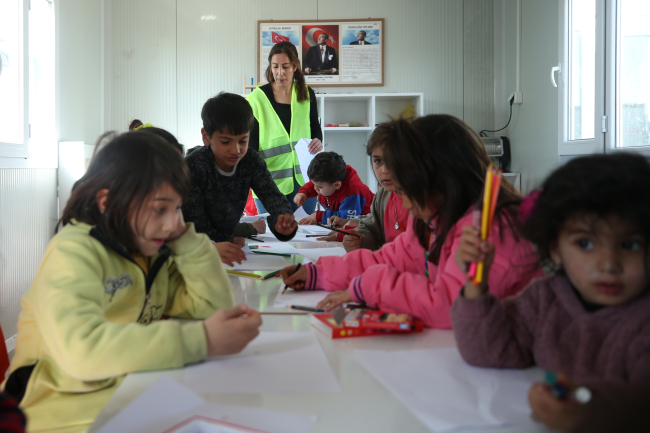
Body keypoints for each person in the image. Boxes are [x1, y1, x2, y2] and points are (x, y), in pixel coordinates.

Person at [1, 132, 262, 432]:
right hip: (54, 415)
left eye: (177, 208)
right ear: (108, 202)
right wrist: (201, 340)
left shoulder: (153, 252)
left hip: (128, 400)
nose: (171, 223)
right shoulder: (73, 252)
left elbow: (211, 311)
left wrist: (187, 239)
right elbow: (82, 352)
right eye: (160, 208)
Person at [279, 115, 541, 328]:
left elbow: (446, 305)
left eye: (405, 191)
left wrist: (368, 286)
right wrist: (320, 273)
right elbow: (390, 258)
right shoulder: (433, 218)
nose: (403, 203)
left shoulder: (492, 230)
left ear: (442, 180)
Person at [452, 153, 650, 433]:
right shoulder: (545, 299)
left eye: (630, 245)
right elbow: (488, 351)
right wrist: (476, 283)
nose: (608, 264)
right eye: (585, 243)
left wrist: (586, 412)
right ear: (555, 247)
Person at [183, 92, 298, 266]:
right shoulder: (193, 166)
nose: (236, 150)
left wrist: (282, 221)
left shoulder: (250, 161)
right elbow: (195, 222)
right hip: (197, 254)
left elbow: (272, 197)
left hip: (226, 250)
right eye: (225, 142)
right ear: (206, 136)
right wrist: (225, 240)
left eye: (243, 141)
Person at [247, 41, 323, 215]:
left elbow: (315, 128)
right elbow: (250, 144)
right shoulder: (256, 99)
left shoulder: (306, 93)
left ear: (295, 66)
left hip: (304, 179)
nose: (279, 73)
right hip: (268, 182)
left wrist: (318, 141)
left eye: (285, 67)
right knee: (271, 237)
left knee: (303, 235)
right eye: (275, 67)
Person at [325, 131, 409, 251]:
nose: (384, 170)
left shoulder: (422, 202)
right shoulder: (382, 195)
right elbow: (372, 229)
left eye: (392, 160)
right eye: (378, 161)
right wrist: (359, 239)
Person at [294, 152, 374, 225]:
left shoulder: (353, 192)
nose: (315, 188)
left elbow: (345, 219)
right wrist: (304, 192)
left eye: (319, 187)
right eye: (314, 184)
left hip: (367, 228)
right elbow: (316, 183)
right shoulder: (331, 179)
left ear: (336, 185)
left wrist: (318, 216)